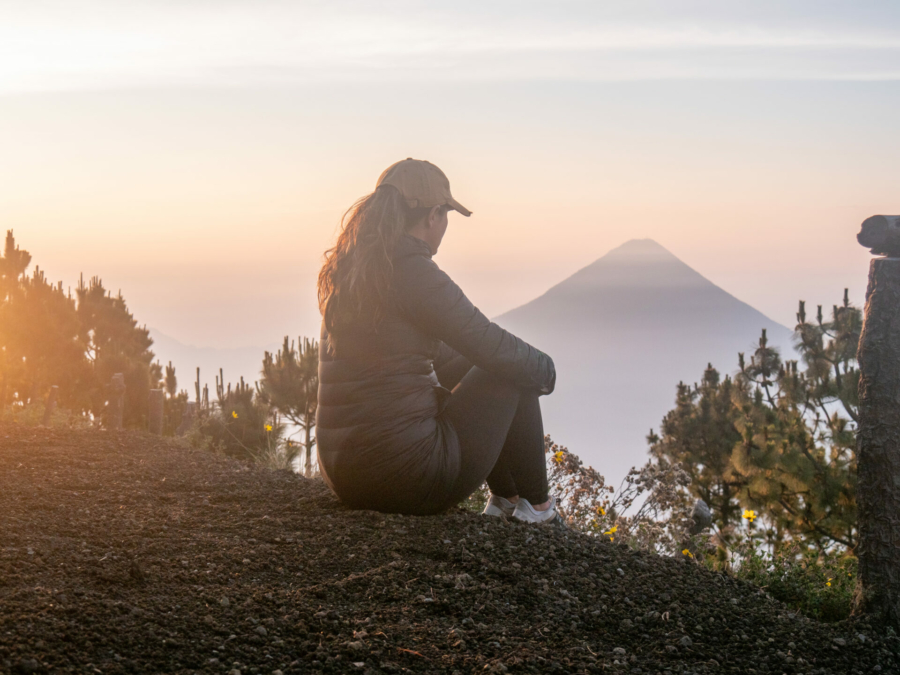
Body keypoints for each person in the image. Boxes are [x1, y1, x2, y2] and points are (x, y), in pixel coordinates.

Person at [315, 158, 561, 525]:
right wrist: (547, 370)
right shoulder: (413, 272)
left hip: (347, 476)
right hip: (406, 476)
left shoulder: (355, 267)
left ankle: (508, 500)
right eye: (445, 216)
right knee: (511, 367)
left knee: (478, 362)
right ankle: (539, 511)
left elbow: (440, 353)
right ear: (433, 216)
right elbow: (488, 343)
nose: (445, 227)